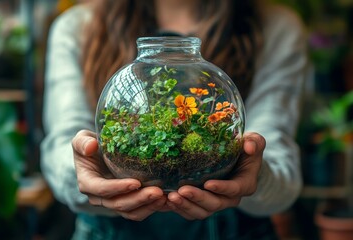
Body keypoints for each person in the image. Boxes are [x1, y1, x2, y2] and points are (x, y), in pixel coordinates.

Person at [41, 0, 308, 239]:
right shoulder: (77, 26)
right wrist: (83, 173)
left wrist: (255, 173)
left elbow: (282, 170)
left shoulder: (276, 28)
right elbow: (62, 146)